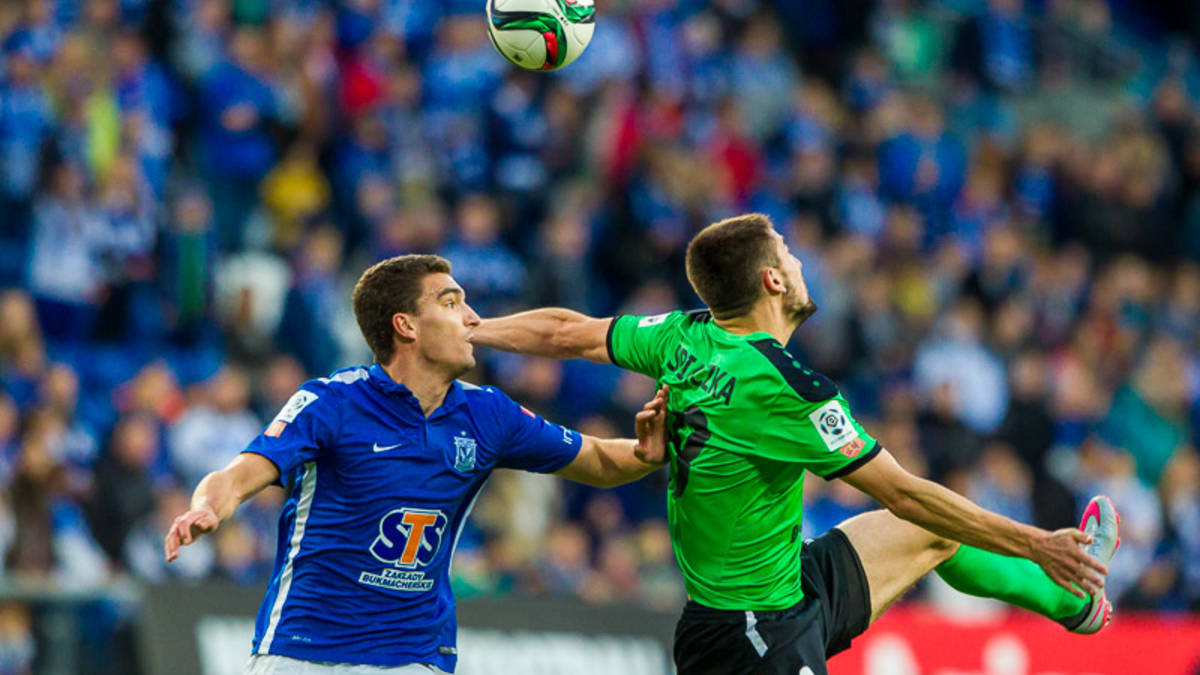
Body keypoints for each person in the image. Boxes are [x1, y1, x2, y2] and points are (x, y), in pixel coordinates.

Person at [472, 214, 1121, 675]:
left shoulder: (681, 334)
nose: (801, 262)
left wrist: (476, 328)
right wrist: (1035, 542)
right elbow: (904, 490)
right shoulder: (786, 389)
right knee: (921, 511)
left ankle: (1076, 602)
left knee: (930, 533)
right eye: (788, 254)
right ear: (773, 282)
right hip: (749, 638)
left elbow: (567, 331)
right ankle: (1058, 566)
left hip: (789, 581)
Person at [163, 254, 670, 674]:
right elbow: (239, 474)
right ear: (405, 325)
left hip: (413, 656)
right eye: (450, 303)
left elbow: (597, 459)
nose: (470, 317)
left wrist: (648, 452)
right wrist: (207, 507)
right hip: (303, 650)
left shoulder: (488, 414)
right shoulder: (332, 401)